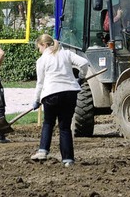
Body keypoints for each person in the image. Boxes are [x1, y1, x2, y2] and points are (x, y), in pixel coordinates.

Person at [30, 34, 89, 167]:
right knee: (65, 127)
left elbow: (40, 83)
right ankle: (68, 159)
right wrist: (81, 77)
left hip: (51, 93)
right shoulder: (66, 53)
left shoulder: (42, 60)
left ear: (44, 45)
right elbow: (84, 63)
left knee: (48, 123)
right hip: (70, 93)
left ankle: (43, 151)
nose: (39, 50)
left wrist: (37, 99)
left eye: (38, 47)